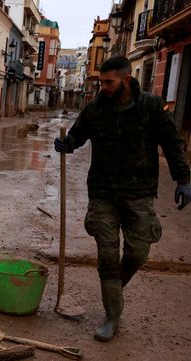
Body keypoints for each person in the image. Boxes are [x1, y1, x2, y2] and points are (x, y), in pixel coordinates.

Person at [54, 56, 190, 342]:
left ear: (126, 79)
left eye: (109, 82)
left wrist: (184, 179)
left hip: (139, 193)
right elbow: (78, 136)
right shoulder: (95, 110)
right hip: (103, 193)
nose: (103, 87)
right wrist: (66, 144)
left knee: (138, 252)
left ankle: (114, 284)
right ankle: (112, 315)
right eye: (101, 82)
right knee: (106, 254)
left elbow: (173, 143)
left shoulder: (150, 107)